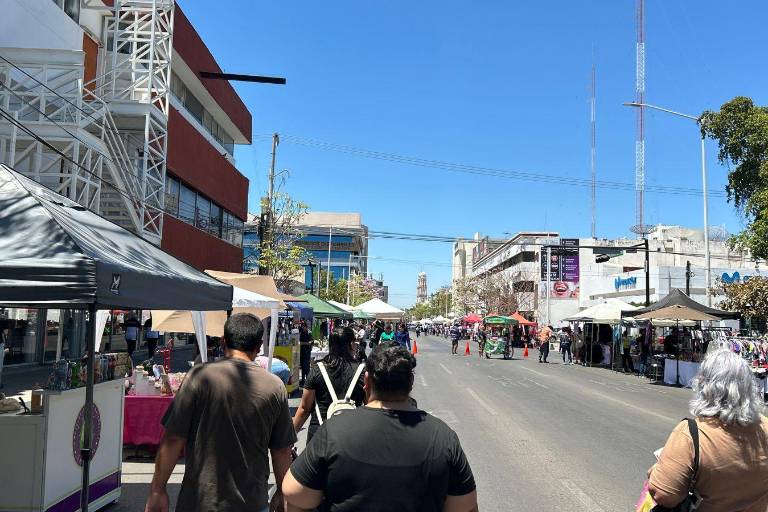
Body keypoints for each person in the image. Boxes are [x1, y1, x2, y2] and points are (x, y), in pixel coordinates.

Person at [283, 342, 478, 512]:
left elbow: (294, 494)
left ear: (366, 382)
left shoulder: (334, 430)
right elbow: (465, 506)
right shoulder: (443, 437)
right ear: (410, 383)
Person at [145, 313, 296, 512]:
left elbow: (173, 438)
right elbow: (281, 450)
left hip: (199, 502)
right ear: (259, 346)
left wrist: (158, 490)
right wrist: (282, 492)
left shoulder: (198, 377)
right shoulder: (274, 386)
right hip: (251, 502)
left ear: (223, 341)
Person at [648, 349, 768, 511]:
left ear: (704, 385)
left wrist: (656, 470)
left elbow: (664, 495)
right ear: (748, 387)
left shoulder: (691, 433)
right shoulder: (764, 427)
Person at [292, 328, 365, 443]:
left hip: (319, 434)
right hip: (351, 437)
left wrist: (290, 438)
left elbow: (304, 409)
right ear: (351, 344)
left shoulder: (317, 369)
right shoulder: (362, 372)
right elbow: (371, 406)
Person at [299, 320, 313, 386]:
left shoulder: (309, 333)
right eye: (303, 327)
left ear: (306, 327)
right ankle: (303, 380)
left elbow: (311, 342)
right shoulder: (301, 333)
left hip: (307, 352)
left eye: (304, 327)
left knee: (307, 367)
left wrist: (304, 343)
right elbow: (300, 343)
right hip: (302, 352)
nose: (303, 328)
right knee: (302, 366)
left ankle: (307, 380)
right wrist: (306, 343)